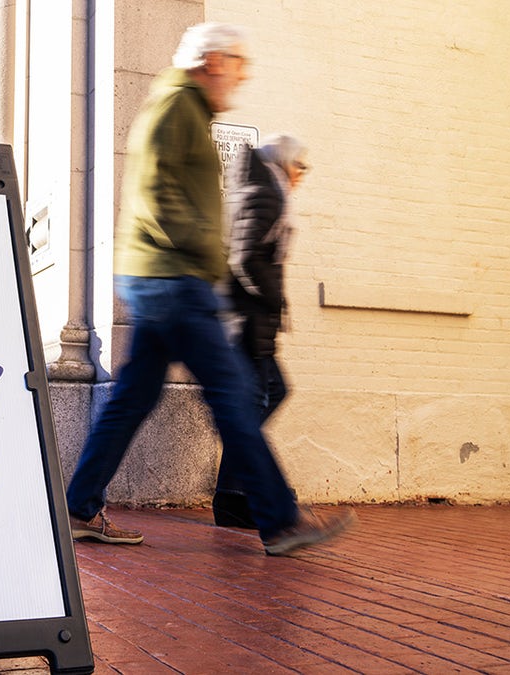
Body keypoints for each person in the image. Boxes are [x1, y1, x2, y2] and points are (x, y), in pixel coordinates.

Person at [64, 23, 354, 556]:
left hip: (159, 277)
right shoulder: (177, 105)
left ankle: (79, 507)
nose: (242, 77)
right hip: (176, 280)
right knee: (233, 395)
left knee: (132, 399)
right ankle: (280, 521)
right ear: (215, 62)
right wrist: (206, 258)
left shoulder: (186, 108)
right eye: (239, 65)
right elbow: (158, 195)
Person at [212, 134, 310, 529]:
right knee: (250, 409)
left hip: (250, 321)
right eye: (301, 164)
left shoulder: (264, 187)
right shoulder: (266, 191)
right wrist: (272, 298)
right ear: (285, 160)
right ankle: (252, 501)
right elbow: (245, 257)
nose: (302, 173)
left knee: (258, 402)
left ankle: (232, 496)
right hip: (247, 322)